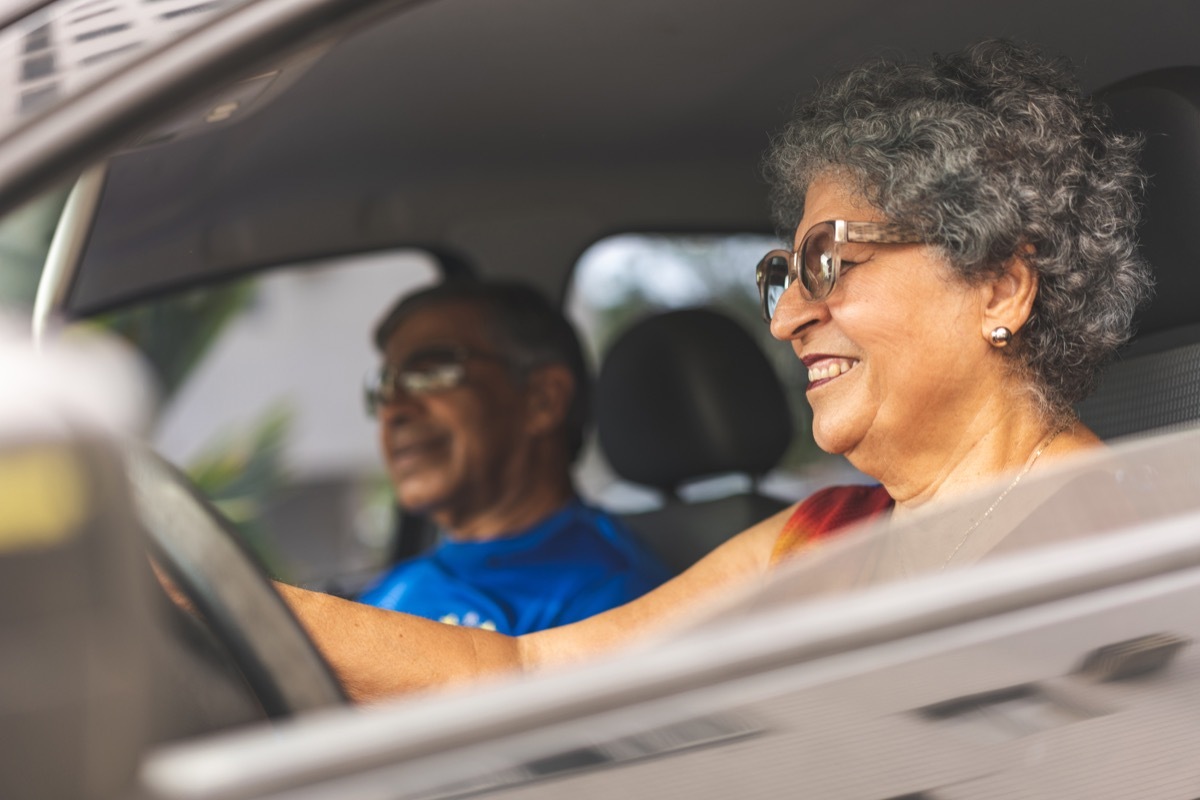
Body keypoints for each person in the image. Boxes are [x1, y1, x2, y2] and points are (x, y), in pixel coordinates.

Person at [276, 39, 1151, 702]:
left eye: (829, 264)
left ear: (999, 286)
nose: (785, 316)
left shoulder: (1117, 557)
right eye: (782, 274)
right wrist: (241, 608)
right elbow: (530, 666)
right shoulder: (817, 535)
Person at [353, 281, 673, 635]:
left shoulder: (610, 601)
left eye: (430, 372)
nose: (393, 410)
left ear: (543, 399)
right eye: (384, 387)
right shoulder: (400, 586)